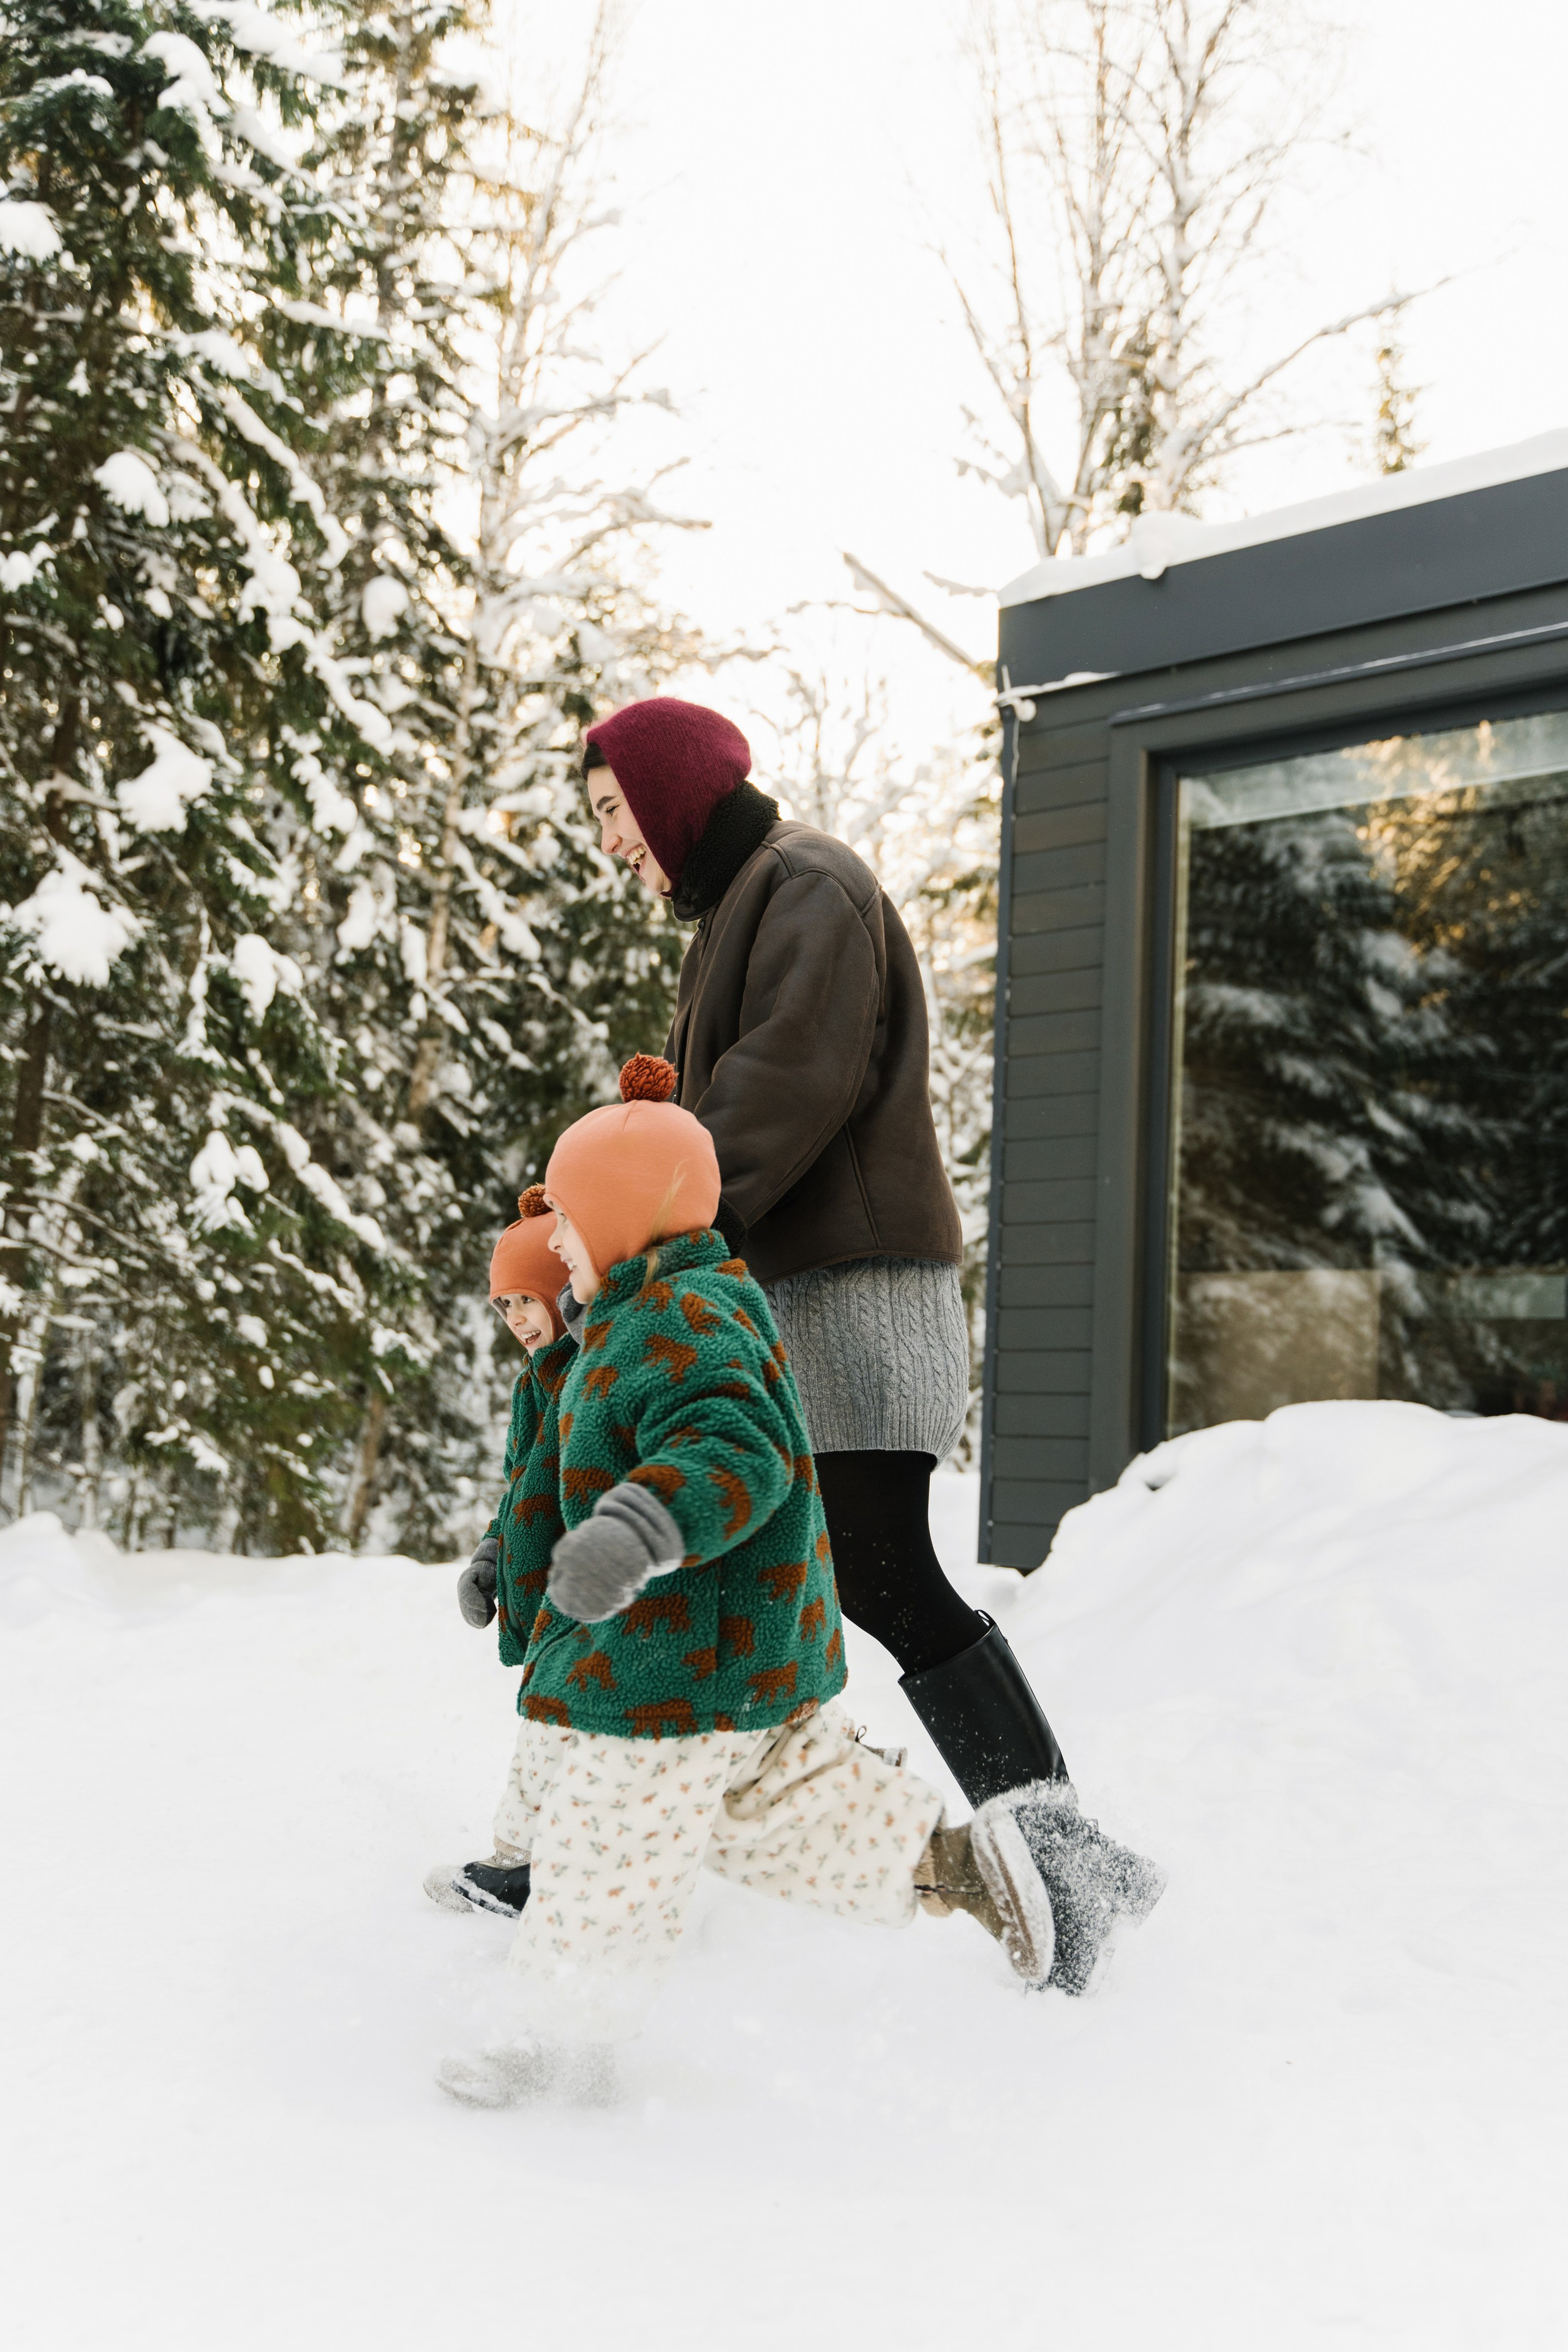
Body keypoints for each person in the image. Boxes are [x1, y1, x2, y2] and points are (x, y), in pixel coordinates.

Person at [579, 696, 1163, 1992]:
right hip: (800, 1296)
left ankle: (1064, 1860)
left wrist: (643, 1214)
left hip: (852, 1292)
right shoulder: (744, 906)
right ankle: (592, 1841)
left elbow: (784, 1088)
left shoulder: (804, 887)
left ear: (669, 793)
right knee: (752, 1574)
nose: (610, 844)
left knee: (882, 1577)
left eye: (613, 813)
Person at [435, 1058, 1057, 2110]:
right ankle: (972, 1869)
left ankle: (556, 2045)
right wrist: (516, 1554)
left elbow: (737, 1451)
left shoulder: (684, 1322)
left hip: (677, 1667)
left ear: (627, 1216)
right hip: (722, 1656)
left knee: (606, 1851)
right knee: (778, 1809)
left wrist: (638, 1528)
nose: (558, 1246)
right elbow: (551, 1471)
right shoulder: (643, 1318)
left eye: (571, 1225)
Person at [424, 1188, 574, 1918]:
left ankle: (524, 1868)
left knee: (555, 1724)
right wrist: (492, 1553)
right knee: (558, 1727)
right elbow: (521, 1486)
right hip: (551, 1589)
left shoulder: (591, 1372)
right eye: (503, 1305)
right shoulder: (532, 1386)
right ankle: (531, 1866)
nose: (515, 1318)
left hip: (590, 1590)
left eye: (527, 1300)